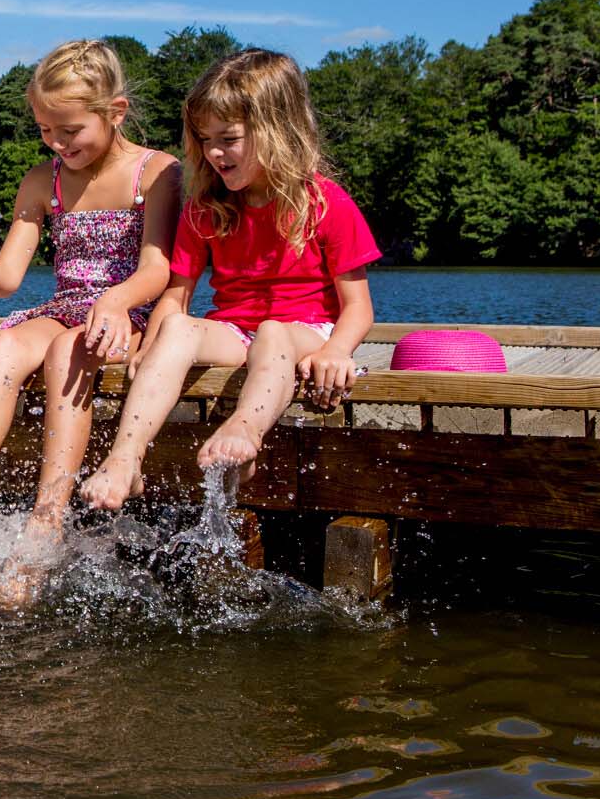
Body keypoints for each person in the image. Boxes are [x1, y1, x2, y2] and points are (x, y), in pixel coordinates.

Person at [0, 40, 180, 603]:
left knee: (68, 351)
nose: (58, 144)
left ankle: (46, 521)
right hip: (63, 309)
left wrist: (114, 300)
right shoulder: (43, 180)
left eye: (70, 130)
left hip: (124, 312)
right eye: (44, 131)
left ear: (116, 112)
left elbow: (159, 269)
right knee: (6, 344)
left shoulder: (156, 173)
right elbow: (8, 278)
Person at [79, 48, 378, 510]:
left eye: (228, 138)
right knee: (178, 328)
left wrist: (337, 351)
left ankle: (246, 428)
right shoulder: (206, 207)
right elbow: (176, 297)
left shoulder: (324, 202)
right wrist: (150, 346)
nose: (213, 152)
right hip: (237, 332)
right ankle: (126, 458)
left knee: (274, 335)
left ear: (277, 130)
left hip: (305, 332)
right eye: (203, 139)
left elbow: (358, 306)